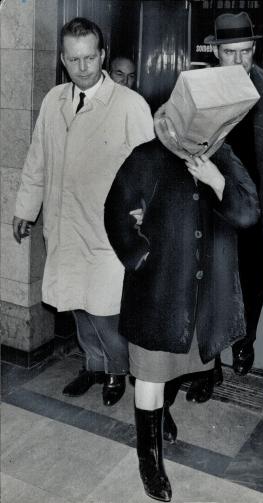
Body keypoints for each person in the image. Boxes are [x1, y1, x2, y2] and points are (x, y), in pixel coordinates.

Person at [104, 67, 260, 501]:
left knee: (179, 367)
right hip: (158, 295)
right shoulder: (146, 157)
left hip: (200, 298)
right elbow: (116, 213)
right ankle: (149, 462)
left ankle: (161, 416)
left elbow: (248, 213)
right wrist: (142, 258)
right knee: (152, 377)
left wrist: (216, 180)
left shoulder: (224, 157)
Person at [13, 17, 154, 406]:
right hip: (63, 225)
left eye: (90, 58)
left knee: (106, 310)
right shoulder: (53, 100)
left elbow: (151, 170)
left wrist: (146, 215)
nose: (83, 67)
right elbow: (37, 159)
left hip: (108, 231)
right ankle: (92, 366)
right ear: (63, 59)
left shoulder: (130, 105)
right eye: (73, 60)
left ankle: (115, 371)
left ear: (102, 55)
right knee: (75, 303)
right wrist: (26, 207)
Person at [186, 11, 263, 402]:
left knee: (252, 283)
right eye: (230, 53)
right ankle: (207, 370)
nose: (239, 62)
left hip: (257, 210)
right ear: (215, 51)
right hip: (212, 206)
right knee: (209, 290)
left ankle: (244, 342)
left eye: (246, 52)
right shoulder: (197, 88)